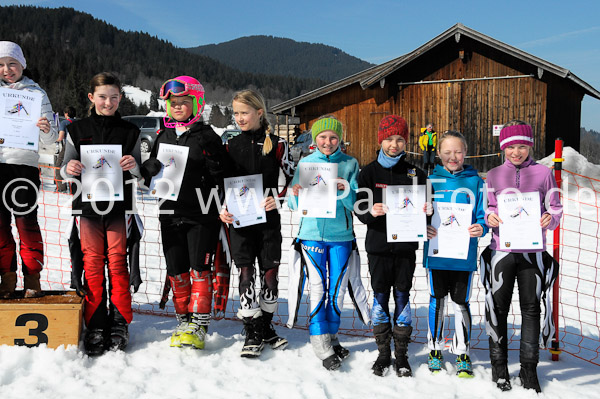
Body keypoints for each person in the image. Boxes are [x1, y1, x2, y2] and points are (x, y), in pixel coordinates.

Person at [141, 76, 228, 349]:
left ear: (196, 103)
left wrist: (215, 162)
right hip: (169, 211)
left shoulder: (208, 135)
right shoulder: (163, 136)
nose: (178, 107)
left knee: (199, 269)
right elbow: (151, 178)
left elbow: (221, 176)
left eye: (183, 102)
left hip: (201, 212)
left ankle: (199, 323)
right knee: (176, 270)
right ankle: (183, 319)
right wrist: (148, 169)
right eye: (173, 103)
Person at [61, 72, 142, 356]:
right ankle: (95, 323)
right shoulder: (77, 129)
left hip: (120, 208)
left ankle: (119, 322)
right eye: (103, 97)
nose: (108, 102)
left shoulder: (130, 131)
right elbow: (63, 166)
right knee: (92, 263)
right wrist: (68, 169)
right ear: (91, 97)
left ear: (121, 98)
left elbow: (141, 175)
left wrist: (133, 165)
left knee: (118, 263)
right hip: (87, 208)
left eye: (114, 97)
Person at [481, 120, 562, 393]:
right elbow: (488, 208)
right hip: (501, 251)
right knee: (498, 309)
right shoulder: (493, 175)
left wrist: (550, 218)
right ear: (503, 147)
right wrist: (490, 218)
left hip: (532, 252)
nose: (517, 152)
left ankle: (529, 370)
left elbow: (555, 207)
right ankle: (499, 367)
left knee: (531, 309)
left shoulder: (544, 173)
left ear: (530, 146)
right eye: (511, 146)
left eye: (522, 146)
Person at [287, 115, 370, 371]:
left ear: (340, 139)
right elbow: (292, 204)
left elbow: (356, 204)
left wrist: (346, 189)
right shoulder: (306, 163)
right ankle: (319, 339)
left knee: (337, 289)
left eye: (333, 137)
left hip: (341, 235)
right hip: (311, 234)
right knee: (318, 287)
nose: (328, 141)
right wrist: (296, 193)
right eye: (322, 137)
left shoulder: (350, 163)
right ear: (315, 139)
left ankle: (332, 335)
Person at [219, 89, 294, 357]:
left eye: (244, 113)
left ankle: (266, 325)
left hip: (268, 222)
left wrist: (278, 197)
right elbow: (220, 183)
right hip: (240, 222)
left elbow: (293, 179)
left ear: (259, 113)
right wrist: (222, 209)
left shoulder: (278, 144)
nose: (239, 118)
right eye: (236, 113)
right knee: (246, 274)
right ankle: (251, 329)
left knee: (270, 277)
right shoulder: (229, 145)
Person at [356, 115, 427, 377]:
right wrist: (369, 211)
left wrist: (427, 211)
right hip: (378, 246)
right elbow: (358, 206)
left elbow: (425, 211)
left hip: (405, 249)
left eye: (399, 139)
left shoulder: (415, 173)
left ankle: (402, 355)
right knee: (381, 298)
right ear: (380, 140)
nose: (394, 144)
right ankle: (383, 353)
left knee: (402, 297)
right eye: (389, 139)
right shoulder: (369, 172)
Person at [423, 130, 488, 378]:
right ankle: (435, 350)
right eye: (447, 152)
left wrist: (481, 227)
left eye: (458, 152)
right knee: (437, 300)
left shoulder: (476, 182)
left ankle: (462, 353)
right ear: (438, 153)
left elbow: (483, 215)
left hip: (463, 256)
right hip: (437, 254)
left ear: (465, 153)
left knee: (461, 302)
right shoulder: (430, 181)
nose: (453, 157)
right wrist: (423, 222)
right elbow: (418, 214)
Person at [0, 41, 57, 299]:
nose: (7, 69)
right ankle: (7, 278)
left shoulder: (36, 94)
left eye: (12, 63)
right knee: (0, 226)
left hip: (23, 167)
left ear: (22, 64)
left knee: (26, 224)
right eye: (0, 65)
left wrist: (45, 129)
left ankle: (32, 277)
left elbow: (49, 141)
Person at [54, 105, 76, 193]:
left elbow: (61, 137)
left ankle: (61, 187)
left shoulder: (64, 123)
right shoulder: (78, 122)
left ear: (66, 114)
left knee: (59, 165)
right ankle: (74, 188)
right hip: (78, 146)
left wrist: (54, 138)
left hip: (68, 145)